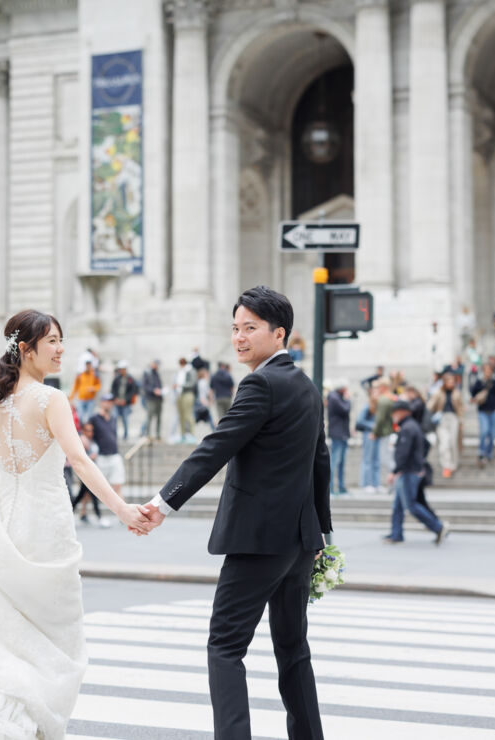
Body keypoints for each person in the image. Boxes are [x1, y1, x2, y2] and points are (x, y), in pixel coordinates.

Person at [0, 310, 151, 739]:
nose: (60, 349)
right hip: (44, 527)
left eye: (62, 340)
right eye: (52, 341)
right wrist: (122, 509)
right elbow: (78, 460)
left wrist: (7, 473)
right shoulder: (50, 399)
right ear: (26, 349)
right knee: (50, 638)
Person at [140, 286, 331, 740]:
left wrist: (162, 503)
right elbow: (318, 463)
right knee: (292, 649)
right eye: (234, 328)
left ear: (278, 333)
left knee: (224, 647)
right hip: (299, 543)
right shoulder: (306, 386)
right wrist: (321, 535)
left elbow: (215, 448)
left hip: (257, 542)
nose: (239, 338)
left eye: (249, 328)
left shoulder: (261, 383)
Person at [383, 401, 449, 546]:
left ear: (402, 412)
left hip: (408, 471)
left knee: (411, 506)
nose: (393, 415)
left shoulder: (407, 428)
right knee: (398, 506)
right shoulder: (412, 426)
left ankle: (438, 527)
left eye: (395, 412)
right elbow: (425, 444)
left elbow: (403, 453)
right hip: (411, 469)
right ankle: (396, 534)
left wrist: (395, 471)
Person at [427, 372, 464, 478]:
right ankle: (446, 466)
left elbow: (460, 409)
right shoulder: (439, 393)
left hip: (453, 419)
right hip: (442, 418)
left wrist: (461, 422)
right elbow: (430, 406)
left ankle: (453, 464)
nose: (450, 383)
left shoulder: (457, 393)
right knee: (444, 443)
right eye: (448, 381)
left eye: (452, 381)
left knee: (453, 443)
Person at [470, 361, 495, 466]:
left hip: (493, 410)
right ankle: (481, 452)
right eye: (486, 370)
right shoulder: (480, 381)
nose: (487, 373)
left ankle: (489, 453)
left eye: (489, 370)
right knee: (484, 431)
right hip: (483, 410)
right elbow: (473, 393)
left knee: (491, 433)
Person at [71, 422, 104, 525]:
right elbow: (78, 458)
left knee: (81, 495)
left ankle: (69, 512)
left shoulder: (92, 441)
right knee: (92, 494)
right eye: (88, 430)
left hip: (91, 471)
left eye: (91, 430)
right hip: (86, 472)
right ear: (83, 431)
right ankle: (99, 517)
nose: (90, 432)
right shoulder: (82, 441)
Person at [326, 380, 351, 495]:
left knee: (341, 462)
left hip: (342, 433)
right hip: (338, 433)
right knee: (335, 461)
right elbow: (345, 410)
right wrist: (347, 399)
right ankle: (331, 487)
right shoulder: (335, 398)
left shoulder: (336, 397)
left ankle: (341, 486)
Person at [110, 360, 139, 440]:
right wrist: (115, 399)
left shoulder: (130, 379)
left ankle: (125, 435)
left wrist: (125, 400)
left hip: (125, 403)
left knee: (125, 419)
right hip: (117, 402)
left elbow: (133, 391)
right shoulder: (117, 378)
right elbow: (113, 389)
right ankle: (114, 434)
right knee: (115, 418)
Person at [356, 399, 379, 493]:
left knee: (376, 460)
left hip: (377, 435)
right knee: (367, 459)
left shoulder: (378, 407)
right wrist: (372, 425)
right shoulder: (367, 407)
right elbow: (360, 421)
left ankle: (375, 484)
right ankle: (366, 484)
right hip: (369, 435)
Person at [175, 356, 197, 443]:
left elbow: (192, 383)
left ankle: (192, 434)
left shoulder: (191, 371)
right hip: (180, 394)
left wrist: (181, 385)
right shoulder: (180, 371)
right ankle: (183, 435)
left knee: (188, 415)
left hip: (187, 394)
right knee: (181, 416)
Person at [140, 359, 164, 440]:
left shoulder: (156, 373)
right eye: (156, 364)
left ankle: (157, 434)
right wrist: (153, 390)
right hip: (150, 398)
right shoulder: (147, 373)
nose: (157, 366)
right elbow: (144, 386)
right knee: (149, 417)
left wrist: (161, 391)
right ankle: (148, 434)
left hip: (158, 398)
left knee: (159, 417)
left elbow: (159, 384)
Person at [195, 367, 216, 431]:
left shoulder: (200, 382)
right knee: (209, 419)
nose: (208, 375)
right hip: (202, 403)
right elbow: (203, 394)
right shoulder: (203, 382)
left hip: (199, 402)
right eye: (207, 374)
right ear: (204, 374)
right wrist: (206, 403)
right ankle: (215, 431)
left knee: (197, 418)